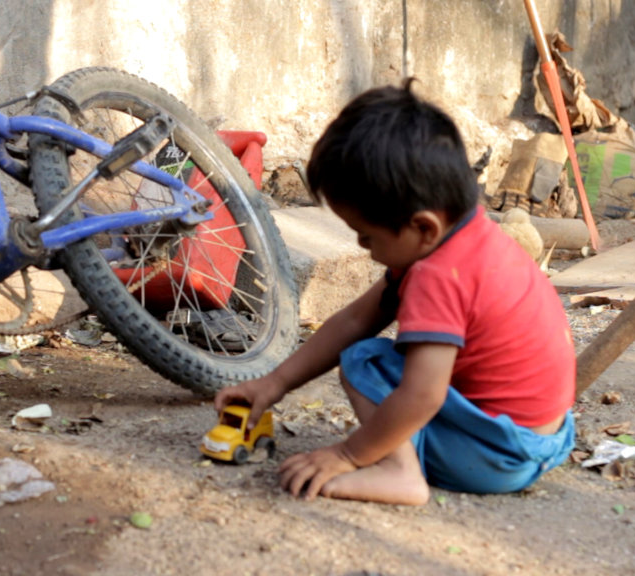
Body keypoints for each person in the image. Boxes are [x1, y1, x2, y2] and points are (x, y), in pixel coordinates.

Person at [214, 80, 576, 505]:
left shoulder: (437, 275)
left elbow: (424, 394)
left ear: (423, 227)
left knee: (365, 361)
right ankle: (404, 459)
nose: (365, 250)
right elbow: (355, 319)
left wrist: (349, 454)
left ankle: (399, 473)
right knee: (372, 349)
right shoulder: (468, 236)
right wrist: (274, 383)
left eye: (367, 237)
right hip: (543, 438)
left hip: (495, 456)